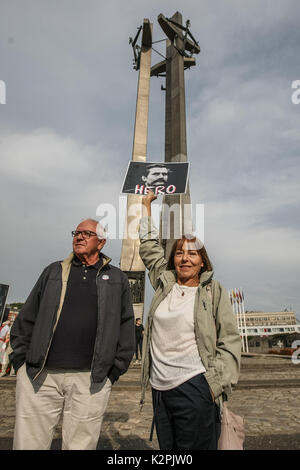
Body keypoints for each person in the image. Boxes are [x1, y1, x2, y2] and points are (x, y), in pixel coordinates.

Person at [9, 218, 135, 450]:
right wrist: (20, 362)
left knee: (80, 445)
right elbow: (27, 316)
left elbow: (126, 326)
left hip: (91, 379)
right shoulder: (53, 271)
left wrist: (114, 371)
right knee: (29, 443)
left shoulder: (117, 279)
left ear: (101, 242)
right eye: (77, 232)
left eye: (87, 233)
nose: (79, 237)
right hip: (40, 376)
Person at [139, 192, 241, 450]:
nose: (185, 258)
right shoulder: (165, 283)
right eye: (179, 253)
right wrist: (145, 206)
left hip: (196, 386)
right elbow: (149, 247)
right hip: (160, 389)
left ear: (202, 261)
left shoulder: (213, 291)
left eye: (192, 254)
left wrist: (214, 386)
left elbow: (229, 340)